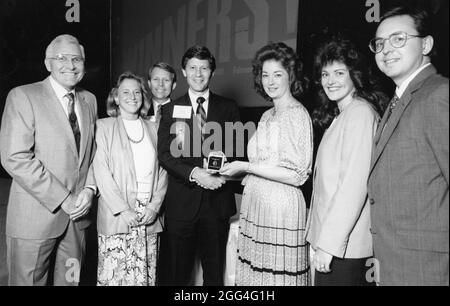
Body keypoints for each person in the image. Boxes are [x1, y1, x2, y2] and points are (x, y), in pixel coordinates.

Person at [0, 34, 97, 286]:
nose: (70, 65)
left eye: (76, 58)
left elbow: (93, 154)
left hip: (77, 220)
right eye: (61, 58)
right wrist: (64, 198)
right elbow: (15, 157)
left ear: (84, 63)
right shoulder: (23, 96)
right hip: (35, 219)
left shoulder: (90, 100)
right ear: (47, 63)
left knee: (71, 281)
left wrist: (89, 188)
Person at [219, 42, 313, 286]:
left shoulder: (297, 113)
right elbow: (261, 167)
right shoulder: (267, 115)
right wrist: (228, 173)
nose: (270, 81)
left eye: (278, 74)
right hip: (256, 207)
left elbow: (298, 175)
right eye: (265, 75)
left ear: (291, 76)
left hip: (280, 211)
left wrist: (246, 166)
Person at [368, 6, 449, 285]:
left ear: (425, 44)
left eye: (398, 39)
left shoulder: (439, 95)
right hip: (395, 261)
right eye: (379, 43)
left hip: (427, 267)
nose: (386, 49)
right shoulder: (396, 101)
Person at [305, 35, 386, 286]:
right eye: (325, 74)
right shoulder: (342, 115)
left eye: (339, 73)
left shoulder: (360, 113)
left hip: (344, 248)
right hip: (335, 244)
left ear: (354, 75)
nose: (331, 81)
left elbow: (353, 186)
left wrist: (328, 246)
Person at [157, 45, 240, 285]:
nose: (198, 73)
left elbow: (237, 151)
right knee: (177, 274)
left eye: (204, 68)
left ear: (212, 72)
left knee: (214, 274)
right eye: (192, 68)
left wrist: (224, 167)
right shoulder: (170, 109)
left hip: (217, 203)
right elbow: (165, 155)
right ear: (183, 72)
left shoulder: (228, 107)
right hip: (182, 205)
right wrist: (195, 174)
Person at [93, 72, 168, 286]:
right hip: (118, 215)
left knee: (146, 277)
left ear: (143, 97)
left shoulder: (154, 128)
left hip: (148, 217)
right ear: (116, 97)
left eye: (137, 92)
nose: (132, 96)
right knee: (115, 279)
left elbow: (163, 171)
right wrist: (123, 209)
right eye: (126, 92)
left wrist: (154, 207)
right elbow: (101, 170)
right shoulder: (103, 127)